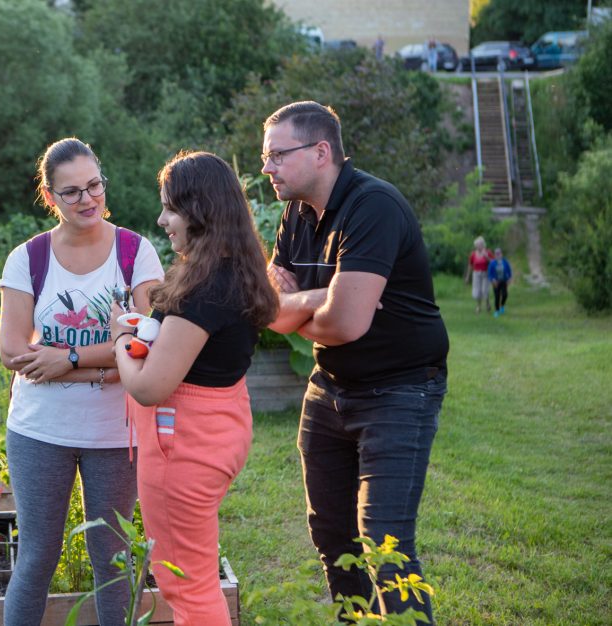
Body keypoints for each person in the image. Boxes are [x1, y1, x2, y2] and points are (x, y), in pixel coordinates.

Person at [262, 101, 448, 622]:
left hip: (400, 390)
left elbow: (344, 324)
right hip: (329, 388)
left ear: (321, 152)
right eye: (265, 156)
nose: (266, 167)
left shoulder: (374, 207)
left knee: (385, 544)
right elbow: (270, 310)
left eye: (277, 155)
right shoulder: (295, 214)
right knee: (330, 534)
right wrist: (321, 300)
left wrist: (299, 305)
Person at [0, 137, 164, 625]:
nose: (87, 199)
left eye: (94, 185)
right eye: (70, 192)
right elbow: (11, 349)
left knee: (111, 558)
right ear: (49, 197)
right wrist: (106, 363)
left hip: (114, 431)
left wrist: (66, 358)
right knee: (37, 557)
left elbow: (145, 343)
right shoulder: (28, 259)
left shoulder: (136, 251)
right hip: (38, 429)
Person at [110, 151, 279, 625]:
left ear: (200, 210)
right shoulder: (236, 270)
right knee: (193, 575)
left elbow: (150, 387)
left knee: (187, 585)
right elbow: (195, 351)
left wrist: (122, 335)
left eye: (171, 208)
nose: (162, 220)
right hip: (216, 433)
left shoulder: (204, 288)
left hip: (182, 447)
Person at [467, 236, 494, 313]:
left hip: (485, 273)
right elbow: (470, 265)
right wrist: (467, 276)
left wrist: (487, 257)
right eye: (477, 245)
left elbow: (493, 262)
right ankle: (478, 306)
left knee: (485, 290)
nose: (479, 246)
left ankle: (487, 303)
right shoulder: (473, 254)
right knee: (477, 291)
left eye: (480, 244)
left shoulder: (488, 252)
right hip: (476, 274)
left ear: (483, 244)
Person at [487, 247, 512, 317]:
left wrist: (509, 278)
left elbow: (509, 271)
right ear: (494, 255)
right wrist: (492, 280)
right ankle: (497, 311)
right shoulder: (492, 263)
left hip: (504, 281)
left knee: (505, 295)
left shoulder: (505, 262)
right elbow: (489, 274)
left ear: (501, 254)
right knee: (497, 296)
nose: (498, 255)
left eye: (499, 253)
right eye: (496, 254)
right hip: (496, 282)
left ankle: (502, 306)